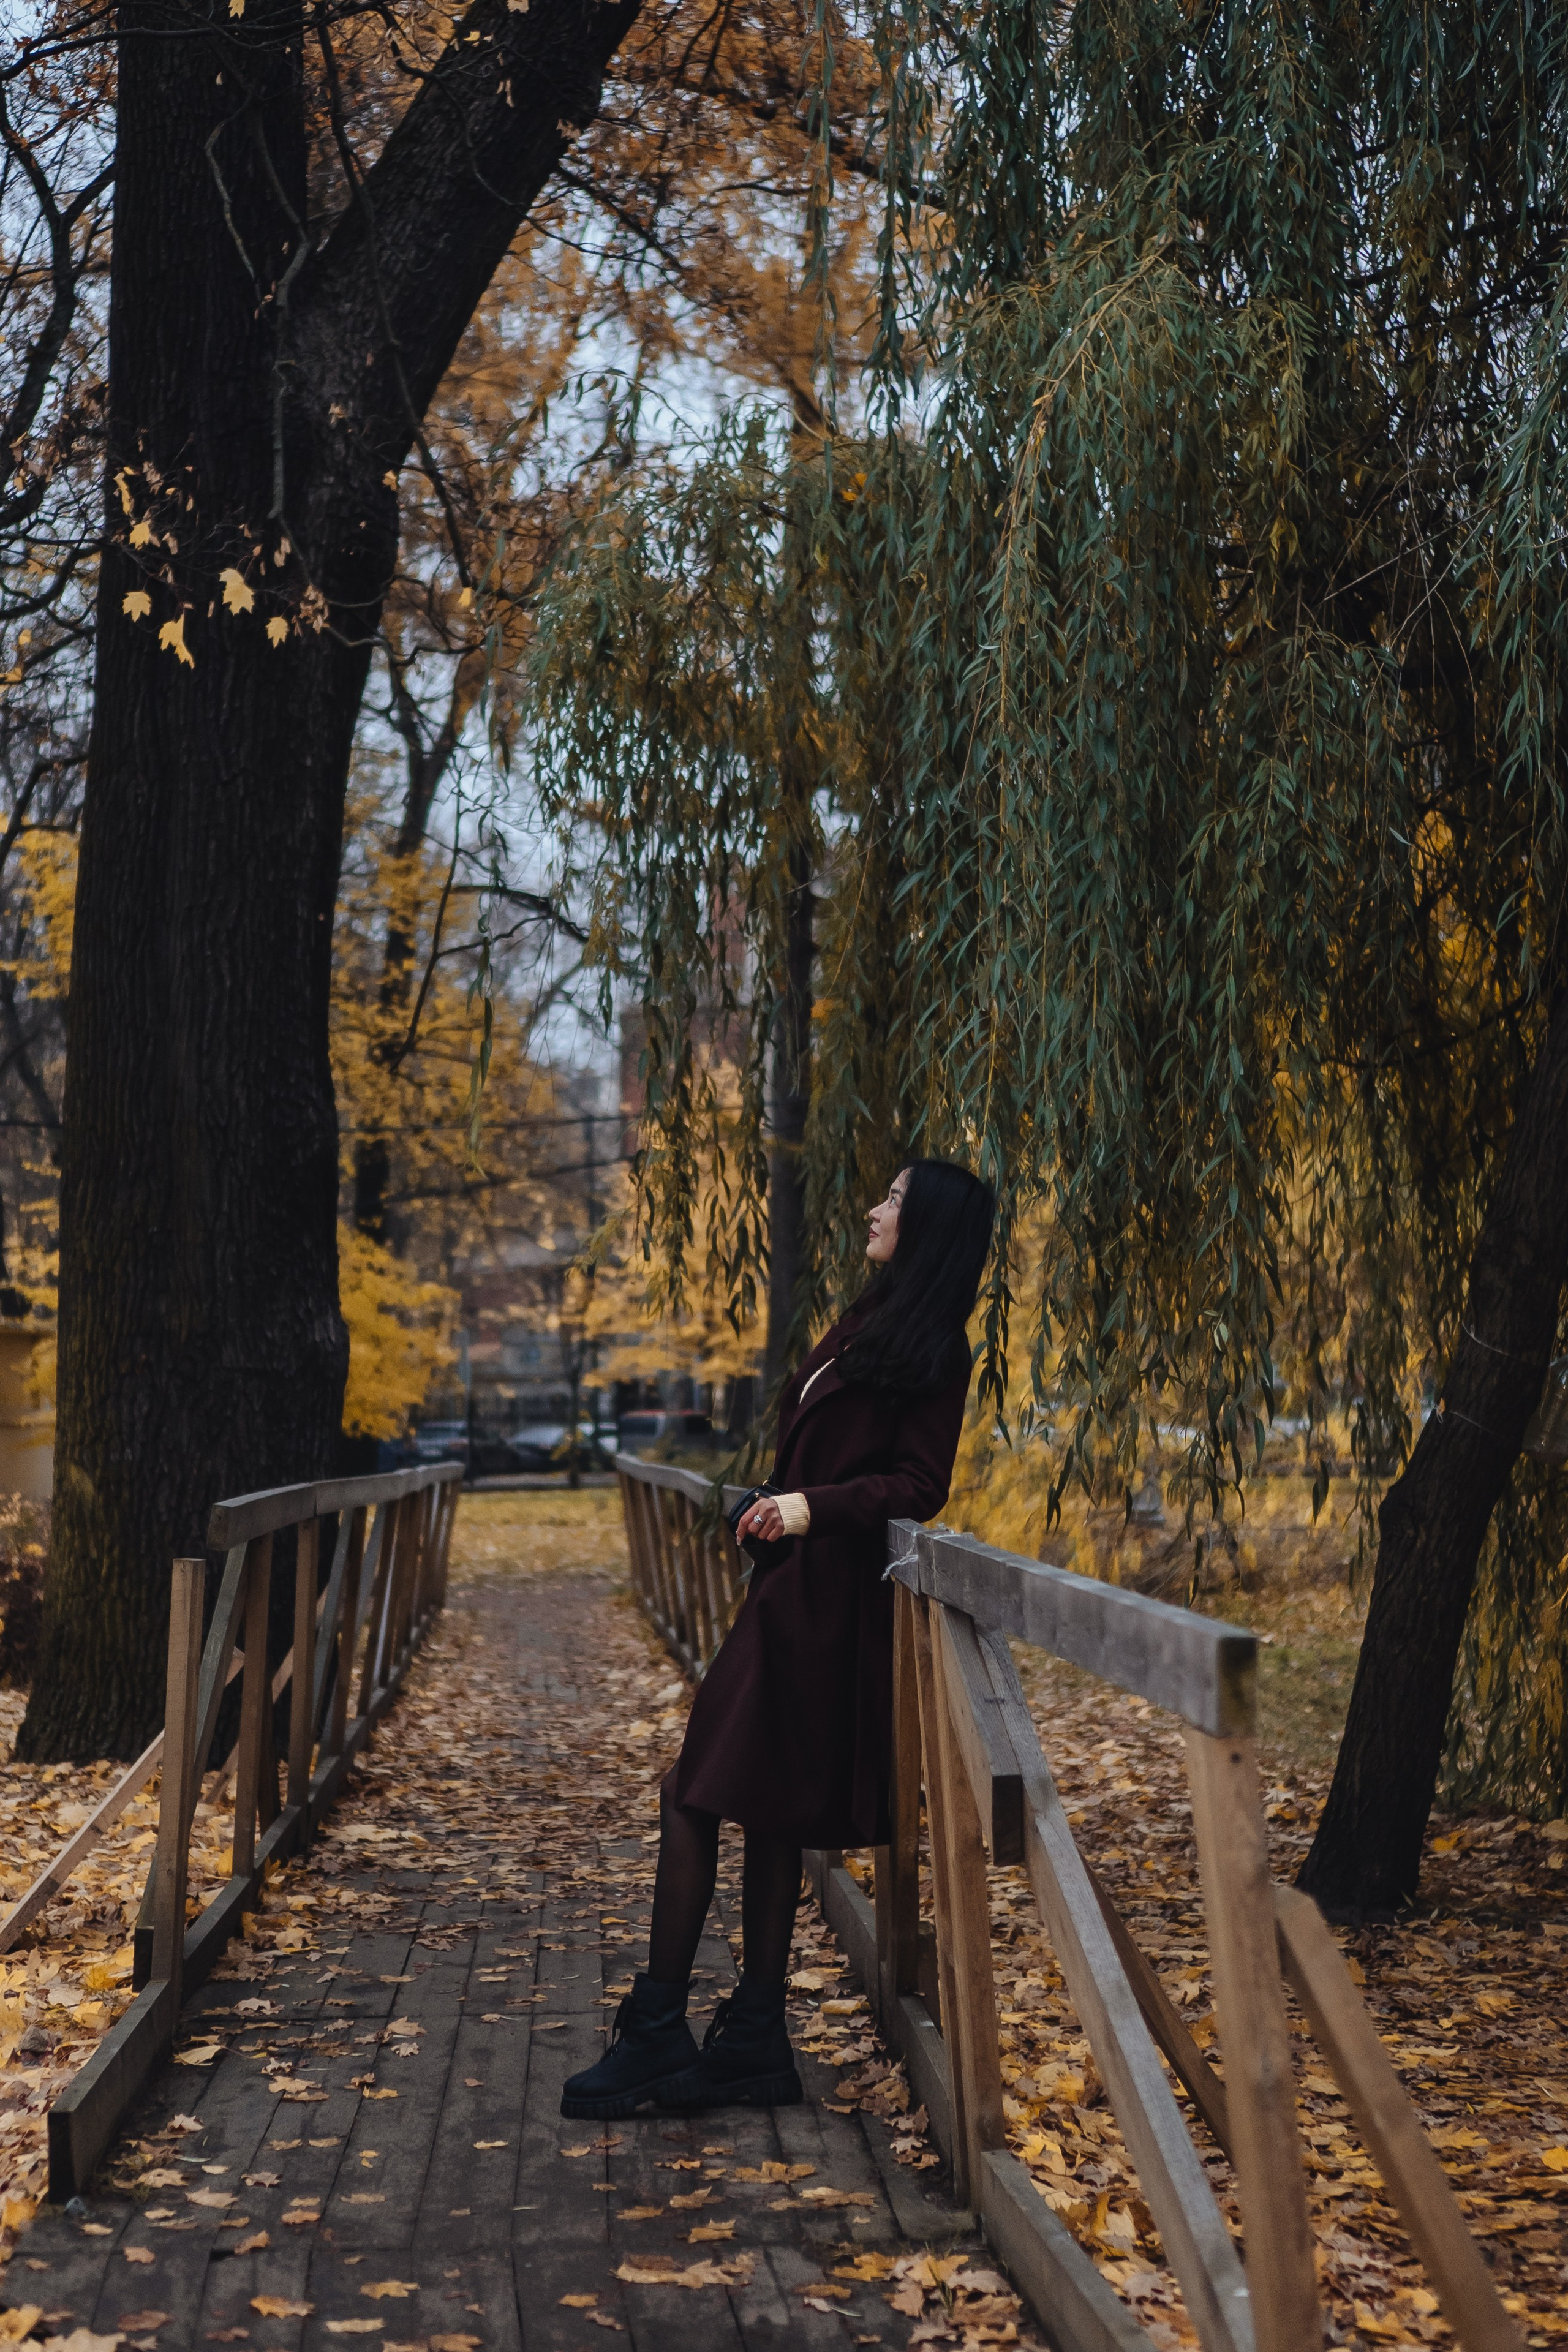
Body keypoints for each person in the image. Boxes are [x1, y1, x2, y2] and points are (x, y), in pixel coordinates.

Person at [562, 1156, 997, 2119]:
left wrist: (806, 1509)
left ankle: (659, 2030)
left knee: (692, 1793)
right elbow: (824, 1451)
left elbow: (920, 1486)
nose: (875, 1209)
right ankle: (755, 2037)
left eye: (894, 1200)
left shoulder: (937, 1345)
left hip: (829, 1610)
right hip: (795, 1594)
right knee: (764, 1809)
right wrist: (772, 1504)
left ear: (928, 1226)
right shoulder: (872, 1319)